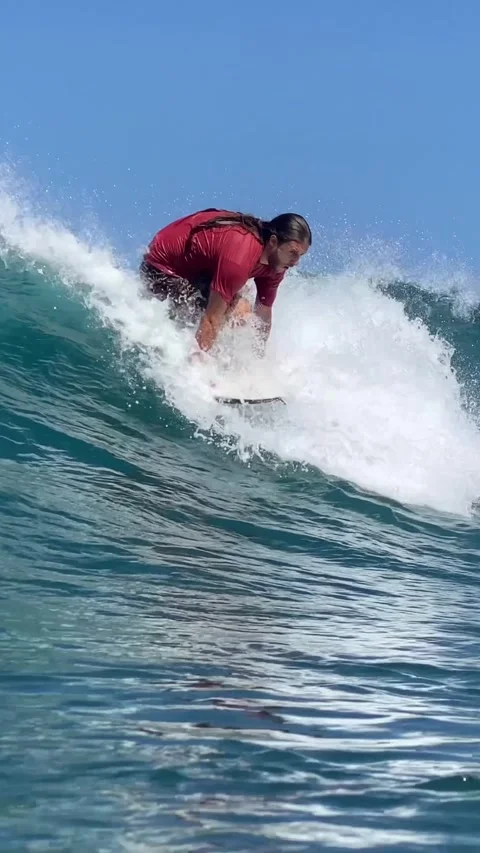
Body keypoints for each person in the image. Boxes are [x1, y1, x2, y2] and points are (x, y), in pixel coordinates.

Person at [140, 208, 312, 352]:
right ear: (273, 242)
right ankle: (197, 363)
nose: (296, 262)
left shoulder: (278, 264)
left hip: (199, 270)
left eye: (300, 255)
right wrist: (197, 379)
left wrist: (259, 361)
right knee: (232, 311)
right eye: (293, 253)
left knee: (245, 314)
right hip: (162, 269)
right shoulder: (240, 255)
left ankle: (223, 364)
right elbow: (211, 319)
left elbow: (264, 314)